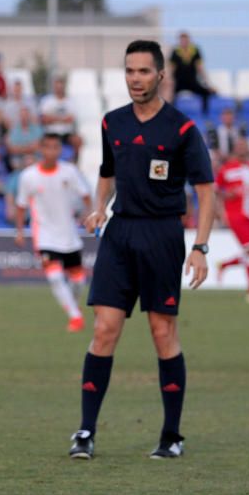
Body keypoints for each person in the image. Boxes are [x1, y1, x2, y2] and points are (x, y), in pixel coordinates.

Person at [69, 40, 214, 461]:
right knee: (103, 330)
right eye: (130, 71)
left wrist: (200, 246)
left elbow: (206, 191)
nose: (136, 79)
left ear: (161, 76)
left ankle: (171, 435)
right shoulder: (112, 123)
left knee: (162, 332)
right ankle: (85, 432)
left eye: (144, 72)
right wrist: (99, 208)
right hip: (120, 234)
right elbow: (106, 173)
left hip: (163, 236)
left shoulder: (182, 129)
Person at [14, 132, 93, 332]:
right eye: (48, 147)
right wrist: (20, 232)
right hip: (45, 236)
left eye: (56, 147)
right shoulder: (29, 176)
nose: (52, 151)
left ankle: (73, 306)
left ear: (60, 149)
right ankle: (75, 317)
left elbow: (85, 196)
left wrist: (88, 215)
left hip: (69, 235)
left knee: (78, 280)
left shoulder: (69, 172)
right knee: (56, 277)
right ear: (41, 149)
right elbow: (21, 206)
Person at [215, 137, 249, 304]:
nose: (242, 149)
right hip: (236, 215)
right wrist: (225, 197)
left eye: (244, 146)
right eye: (239, 146)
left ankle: (224, 265)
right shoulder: (227, 169)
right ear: (234, 149)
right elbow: (216, 190)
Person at [39, 75, 83, 161]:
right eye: (57, 86)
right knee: (40, 142)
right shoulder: (47, 101)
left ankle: (75, 161)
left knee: (78, 140)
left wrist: (53, 119)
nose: (59, 89)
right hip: (51, 132)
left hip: (66, 133)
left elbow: (71, 119)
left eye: (60, 86)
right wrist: (62, 119)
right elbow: (44, 119)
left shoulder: (70, 101)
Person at [170, 31, 215, 113]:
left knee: (206, 92)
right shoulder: (175, 51)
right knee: (169, 96)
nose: (184, 42)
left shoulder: (195, 50)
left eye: (185, 40)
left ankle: (205, 114)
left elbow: (200, 68)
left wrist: (208, 84)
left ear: (189, 40)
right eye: (182, 40)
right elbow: (171, 69)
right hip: (179, 82)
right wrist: (170, 82)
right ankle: (171, 115)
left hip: (192, 82)